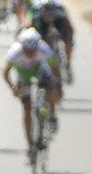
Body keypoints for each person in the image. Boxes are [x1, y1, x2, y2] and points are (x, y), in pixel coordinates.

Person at [4, 27, 63, 158]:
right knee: (26, 109)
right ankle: (30, 145)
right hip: (23, 76)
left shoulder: (44, 49)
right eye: (27, 51)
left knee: (50, 87)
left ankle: (52, 114)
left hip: (41, 72)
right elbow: (5, 73)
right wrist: (13, 87)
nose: (30, 54)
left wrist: (58, 86)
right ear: (22, 46)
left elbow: (54, 69)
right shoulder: (14, 51)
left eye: (33, 51)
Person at [28, 0, 74, 83]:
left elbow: (70, 28)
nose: (49, 17)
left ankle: (68, 64)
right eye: (47, 14)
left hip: (59, 22)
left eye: (51, 14)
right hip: (42, 24)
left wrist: (69, 41)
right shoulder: (37, 13)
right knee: (42, 39)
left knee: (68, 41)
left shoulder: (60, 12)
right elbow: (31, 30)